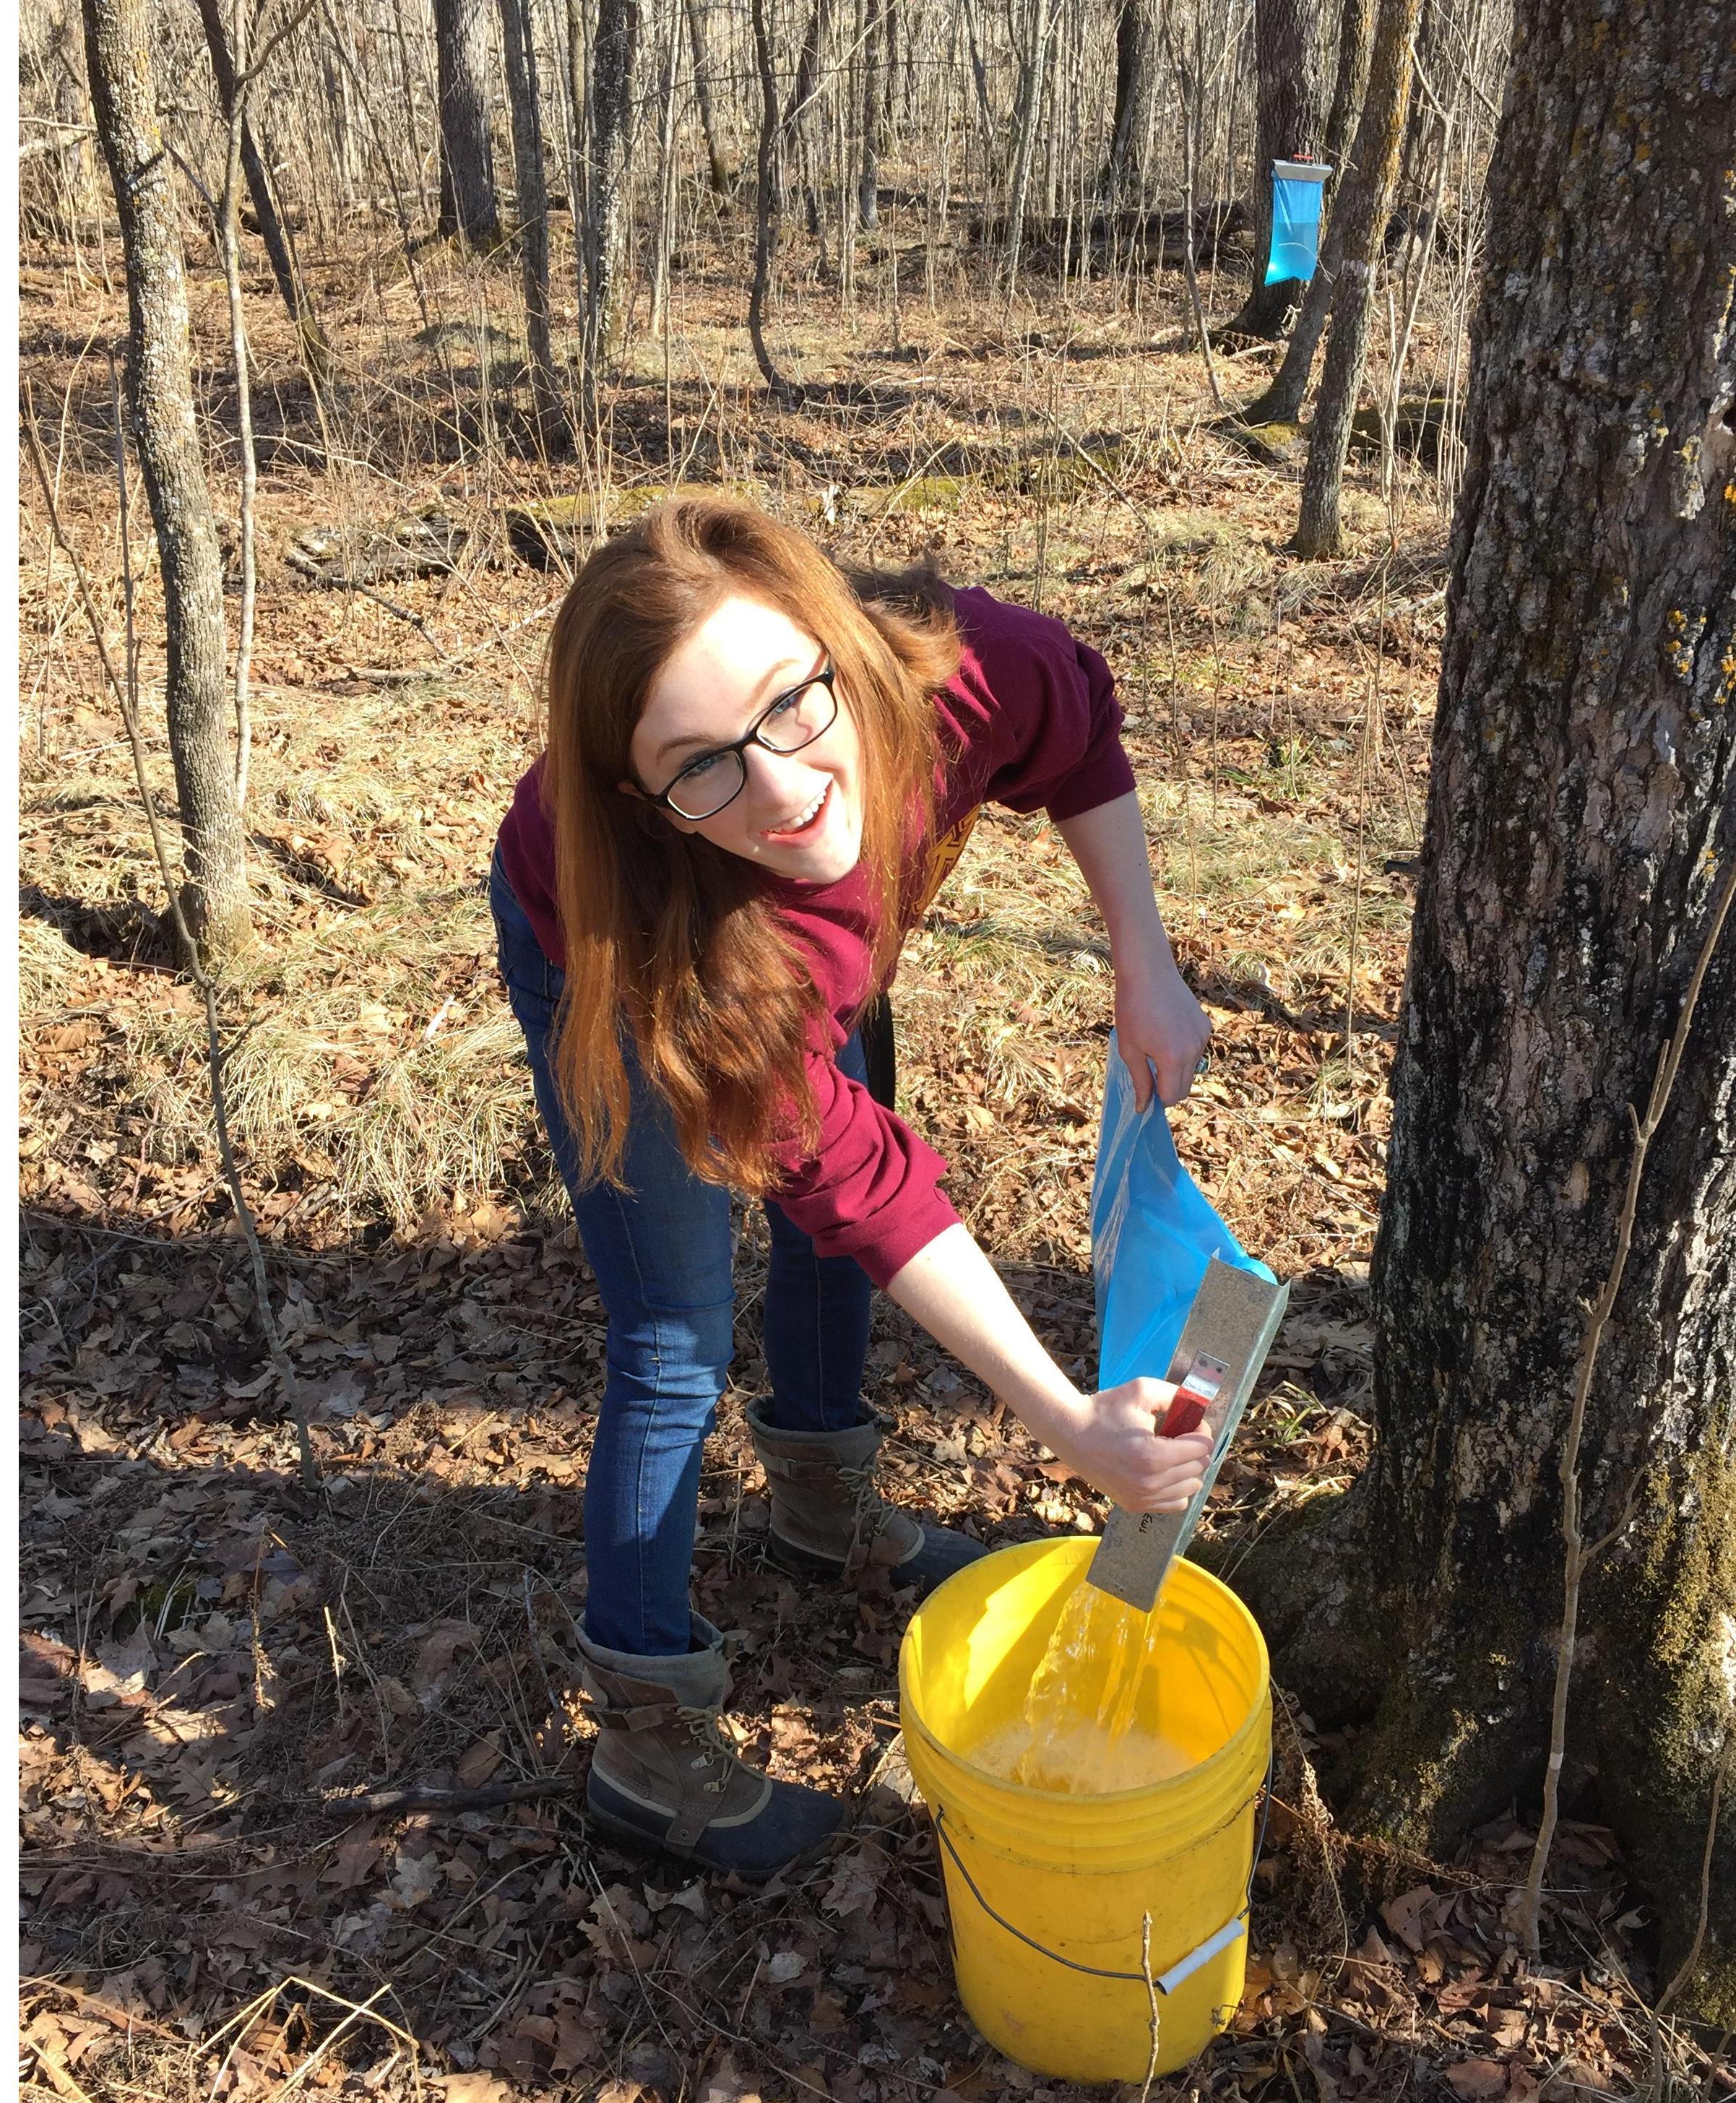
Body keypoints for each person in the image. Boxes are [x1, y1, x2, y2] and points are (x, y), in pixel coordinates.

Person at [491, 493, 1214, 1881]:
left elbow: (1074, 715)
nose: (781, 790)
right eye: (699, 768)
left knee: (827, 1210)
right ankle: (647, 1745)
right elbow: (853, 1179)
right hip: (640, 966)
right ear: (645, 802)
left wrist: (1146, 956)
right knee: (675, 1335)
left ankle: (821, 1510)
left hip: (810, 964)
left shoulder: (941, 678)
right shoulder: (665, 932)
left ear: (836, 645)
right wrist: (1066, 1418)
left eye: (789, 704)